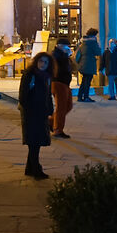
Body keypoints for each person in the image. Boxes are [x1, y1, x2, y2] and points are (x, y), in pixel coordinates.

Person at [19, 52, 54, 180]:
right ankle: (36, 170)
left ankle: (29, 168)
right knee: (34, 142)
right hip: (31, 113)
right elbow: (23, 95)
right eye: (41, 61)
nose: (43, 64)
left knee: (36, 142)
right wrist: (28, 110)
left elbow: (48, 95)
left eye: (45, 62)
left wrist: (50, 111)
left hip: (42, 113)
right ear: (36, 61)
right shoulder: (30, 75)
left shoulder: (46, 77)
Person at [48, 40, 76, 138]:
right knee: (61, 107)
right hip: (58, 82)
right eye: (66, 46)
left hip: (65, 83)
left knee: (68, 106)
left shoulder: (63, 55)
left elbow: (72, 67)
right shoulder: (56, 55)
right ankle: (58, 130)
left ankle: (50, 122)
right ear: (59, 46)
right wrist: (66, 56)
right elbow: (59, 68)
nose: (68, 48)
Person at [77, 28, 101, 102]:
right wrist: (98, 45)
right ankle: (86, 96)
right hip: (89, 64)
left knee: (84, 81)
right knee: (87, 82)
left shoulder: (82, 43)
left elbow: (77, 55)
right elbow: (98, 52)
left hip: (82, 64)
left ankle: (80, 96)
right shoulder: (93, 43)